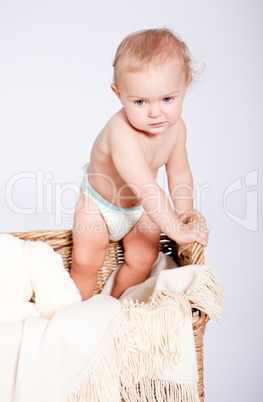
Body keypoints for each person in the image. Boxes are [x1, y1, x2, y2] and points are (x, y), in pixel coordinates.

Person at [71, 28, 209, 301]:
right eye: (140, 101)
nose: (156, 112)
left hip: (140, 209)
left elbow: (179, 172)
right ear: (119, 94)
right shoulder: (121, 133)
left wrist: (183, 212)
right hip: (99, 205)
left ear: (186, 86)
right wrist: (174, 228)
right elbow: (147, 188)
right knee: (86, 261)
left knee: (142, 259)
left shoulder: (177, 129)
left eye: (168, 99)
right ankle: (79, 314)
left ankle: (114, 307)